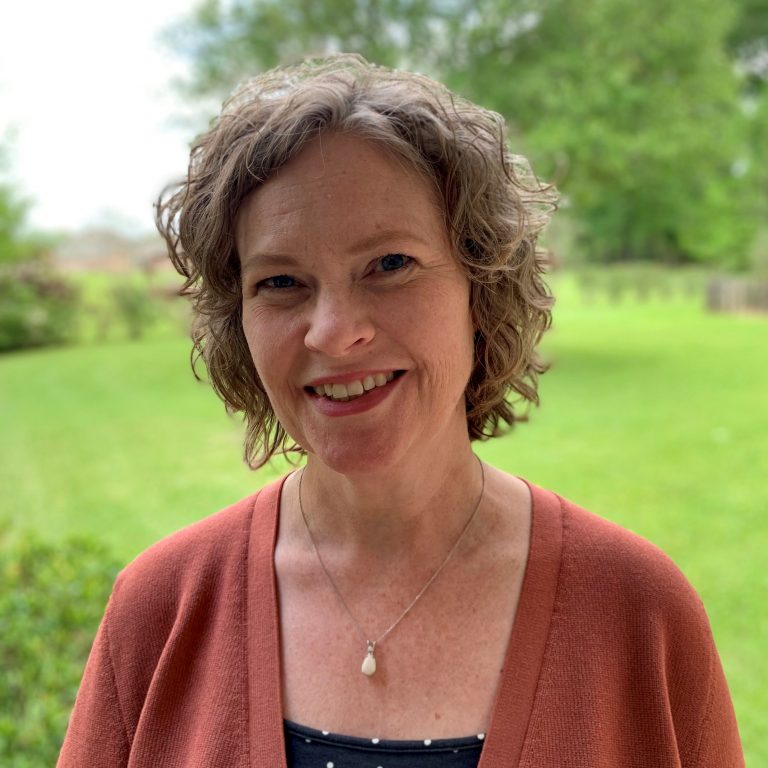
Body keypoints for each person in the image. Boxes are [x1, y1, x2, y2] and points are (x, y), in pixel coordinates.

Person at [57, 54, 743, 767]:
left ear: (482, 286)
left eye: (389, 265)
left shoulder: (637, 613)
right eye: (282, 281)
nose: (333, 331)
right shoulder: (160, 610)